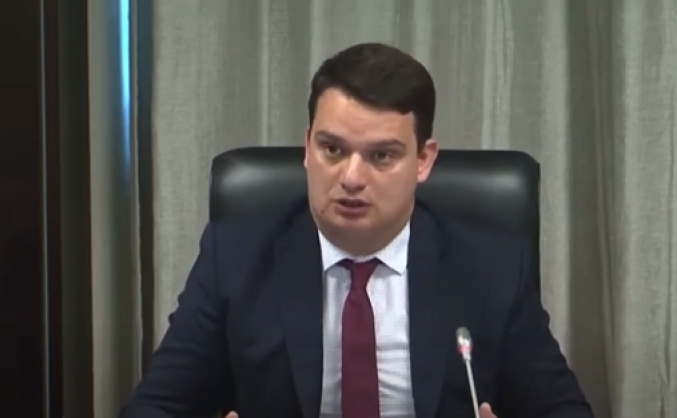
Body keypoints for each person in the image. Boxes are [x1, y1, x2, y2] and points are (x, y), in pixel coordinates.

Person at [120, 42, 593, 418]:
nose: (350, 177)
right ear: (307, 146)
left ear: (423, 160)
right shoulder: (236, 257)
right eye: (332, 150)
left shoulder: (492, 266)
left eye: (380, 156)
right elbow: (156, 407)